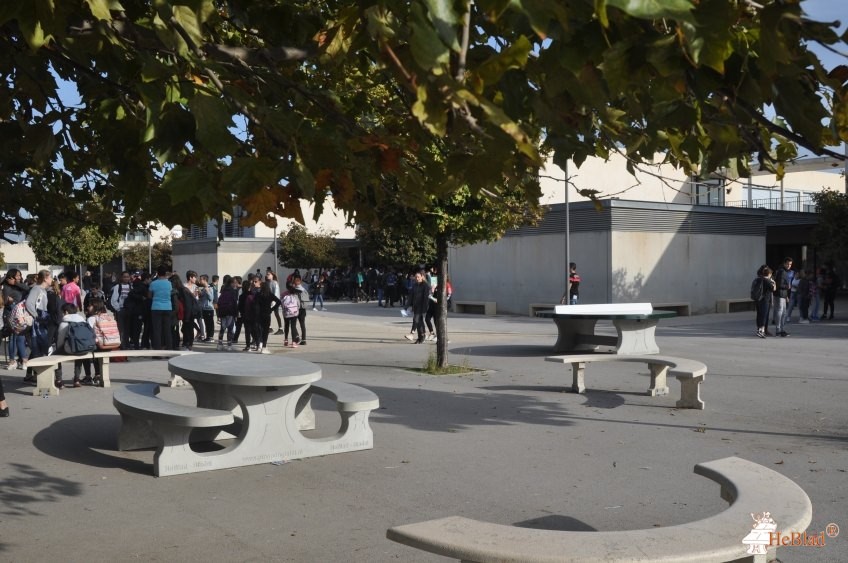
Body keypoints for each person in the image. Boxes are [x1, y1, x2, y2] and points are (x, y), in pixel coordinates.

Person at [25, 270, 53, 384]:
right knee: (39, 347)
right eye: (50, 277)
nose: (52, 279)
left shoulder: (43, 290)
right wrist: (36, 316)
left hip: (41, 321)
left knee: (39, 347)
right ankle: (38, 376)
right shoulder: (37, 289)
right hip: (38, 323)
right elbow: (29, 303)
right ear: (45, 278)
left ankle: (31, 374)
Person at [2, 269, 28, 371]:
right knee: (12, 338)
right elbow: (5, 300)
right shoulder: (7, 287)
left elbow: (28, 289)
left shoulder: (20, 286)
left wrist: (17, 282)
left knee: (20, 338)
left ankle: (24, 360)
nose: (19, 277)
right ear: (11, 277)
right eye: (17, 276)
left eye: (20, 275)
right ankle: (12, 361)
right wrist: (6, 279)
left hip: (20, 315)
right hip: (10, 314)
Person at [148, 266, 173, 350]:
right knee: (167, 330)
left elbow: (149, 296)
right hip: (168, 307)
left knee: (157, 330)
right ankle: (169, 349)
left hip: (156, 307)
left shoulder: (153, 283)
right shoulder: (169, 283)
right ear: (165, 273)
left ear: (157, 273)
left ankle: (157, 350)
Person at [256, 280, 281, 353]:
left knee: (259, 329)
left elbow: (255, 304)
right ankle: (264, 346)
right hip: (267, 313)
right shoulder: (270, 295)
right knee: (265, 330)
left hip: (259, 314)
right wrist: (272, 309)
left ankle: (259, 345)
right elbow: (278, 302)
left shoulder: (258, 294)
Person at [215, 275, 238, 351]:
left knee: (222, 328)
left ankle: (219, 344)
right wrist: (236, 313)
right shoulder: (233, 291)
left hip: (222, 312)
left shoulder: (224, 290)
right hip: (230, 312)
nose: (235, 284)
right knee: (230, 328)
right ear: (231, 283)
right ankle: (229, 345)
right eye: (234, 283)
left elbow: (219, 301)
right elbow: (234, 303)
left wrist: (218, 313)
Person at [771, 257, 793, 337]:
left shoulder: (785, 272)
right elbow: (779, 284)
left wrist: (786, 296)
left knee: (783, 313)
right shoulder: (782, 272)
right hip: (779, 294)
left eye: (790, 264)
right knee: (780, 312)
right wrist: (787, 287)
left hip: (783, 294)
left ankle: (781, 330)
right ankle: (778, 330)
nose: (789, 265)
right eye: (787, 264)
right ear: (784, 263)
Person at [753, 266, 776, 338]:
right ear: (769, 273)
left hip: (758, 299)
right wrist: (774, 283)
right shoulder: (767, 280)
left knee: (759, 315)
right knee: (764, 315)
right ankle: (761, 331)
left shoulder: (758, 279)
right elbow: (773, 289)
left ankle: (759, 329)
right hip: (765, 300)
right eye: (771, 274)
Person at [408, 270, 430, 344]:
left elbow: (426, 298)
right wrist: (408, 306)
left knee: (416, 320)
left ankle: (416, 335)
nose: (417, 278)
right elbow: (411, 296)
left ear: (422, 277)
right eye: (416, 277)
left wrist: (425, 308)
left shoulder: (425, 285)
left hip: (422, 306)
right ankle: (421, 336)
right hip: (416, 306)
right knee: (419, 322)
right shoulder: (414, 285)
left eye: (418, 277)